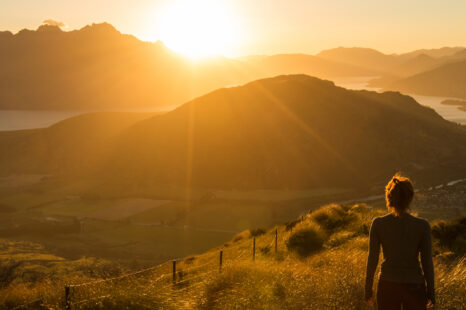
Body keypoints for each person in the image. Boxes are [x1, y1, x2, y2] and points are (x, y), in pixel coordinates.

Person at [365, 174, 435, 309]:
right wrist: (431, 292)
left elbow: (372, 259)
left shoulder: (379, 224)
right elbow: (427, 262)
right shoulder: (422, 226)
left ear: (389, 197)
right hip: (415, 287)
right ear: (410, 198)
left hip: (387, 285)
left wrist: (368, 289)